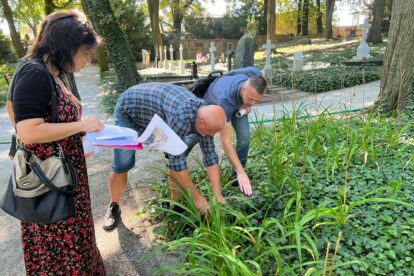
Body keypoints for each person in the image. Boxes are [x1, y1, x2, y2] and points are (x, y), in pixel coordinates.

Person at [10, 10, 105, 274]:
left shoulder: (55, 70)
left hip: (66, 171)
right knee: (59, 242)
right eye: (86, 53)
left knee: (75, 234)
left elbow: (56, 121)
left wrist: (81, 140)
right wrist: (82, 126)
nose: (88, 59)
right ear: (68, 47)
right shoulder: (34, 73)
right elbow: (28, 131)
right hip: (48, 179)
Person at [103, 82, 227, 231]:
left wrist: (217, 193)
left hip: (154, 117)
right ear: (201, 121)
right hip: (129, 114)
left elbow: (210, 154)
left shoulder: (205, 115)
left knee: (176, 156)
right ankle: (113, 206)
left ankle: (175, 207)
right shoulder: (181, 117)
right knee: (124, 163)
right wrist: (197, 199)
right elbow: (177, 161)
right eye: (211, 131)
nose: (212, 136)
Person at [201, 66, 267, 196]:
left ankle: (236, 179)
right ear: (243, 89)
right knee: (196, 135)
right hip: (214, 102)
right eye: (251, 99)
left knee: (245, 138)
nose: (253, 104)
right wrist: (242, 172)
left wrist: (245, 105)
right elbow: (226, 141)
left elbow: (258, 73)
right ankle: (176, 163)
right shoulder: (225, 101)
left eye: (257, 100)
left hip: (237, 104)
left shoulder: (255, 74)